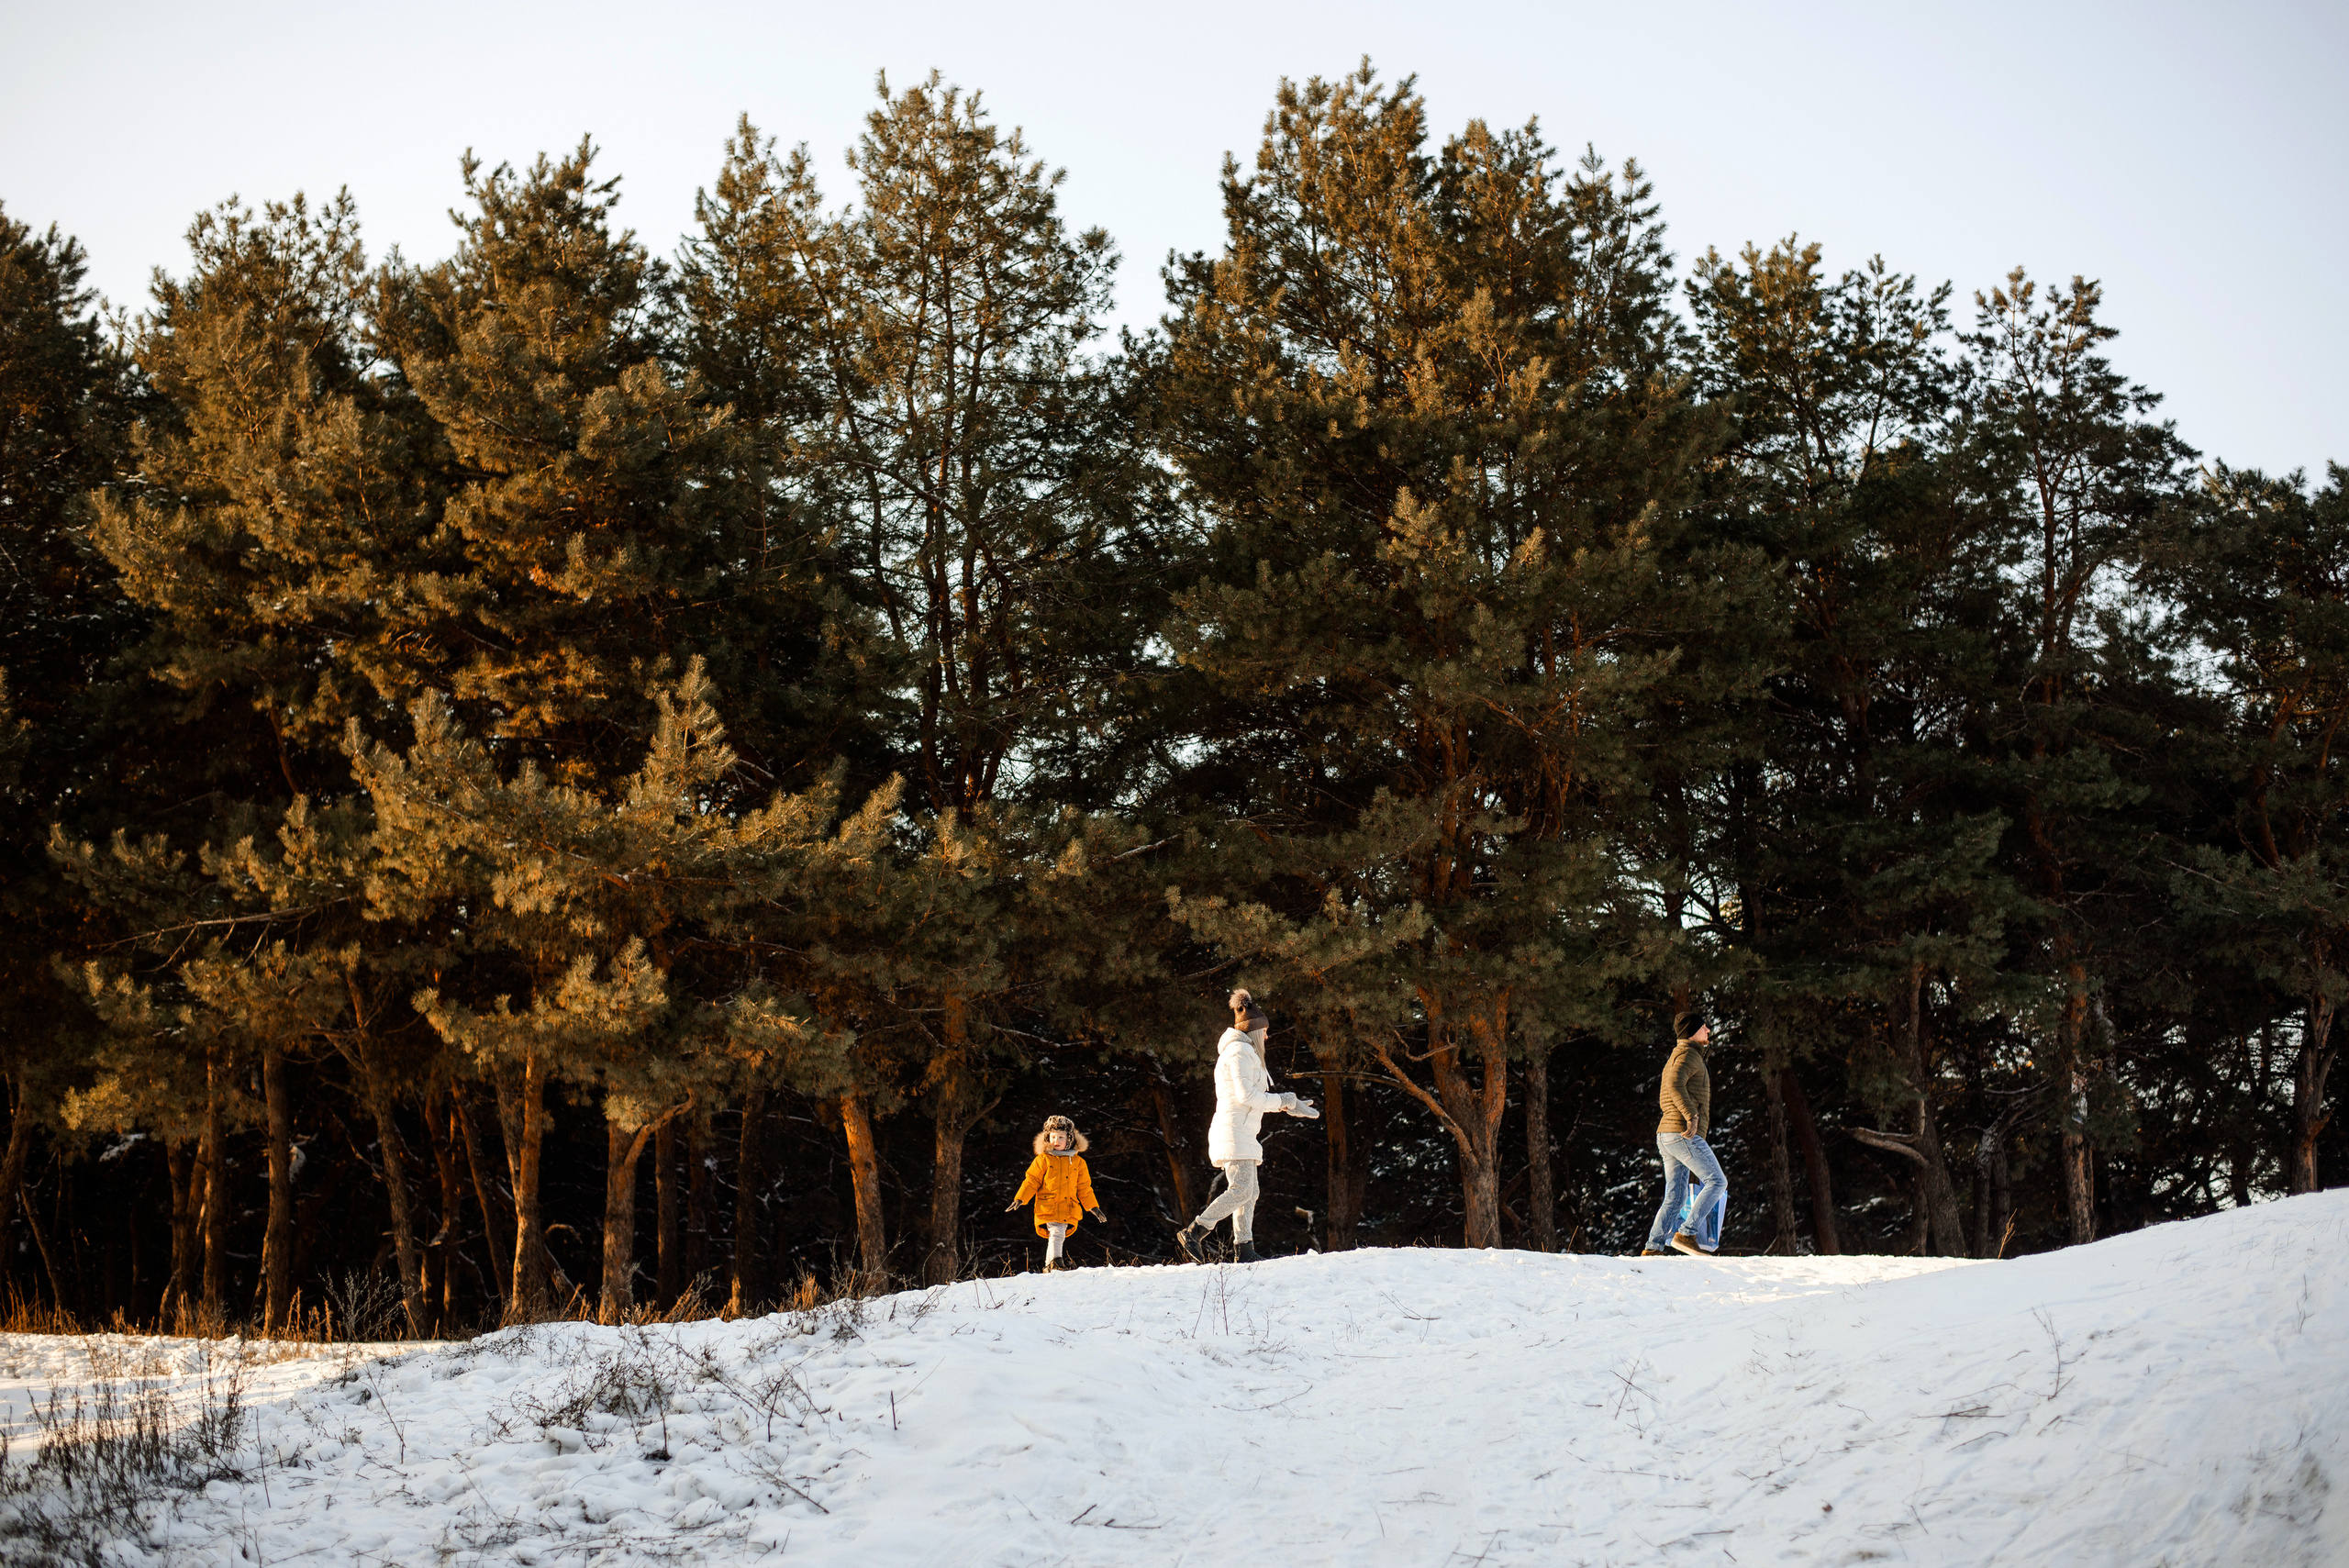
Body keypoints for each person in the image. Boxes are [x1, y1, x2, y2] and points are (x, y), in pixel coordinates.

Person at [1174, 992, 1318, 1264]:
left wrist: (1289, 1103)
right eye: (1264, 1031)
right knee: (1241, 1189)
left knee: (1250, 1191)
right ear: (1253, 1031)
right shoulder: (1240, 1052)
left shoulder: (1245, 1052)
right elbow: (1247, 1096)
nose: (1267, 1037)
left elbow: (1252, 1097)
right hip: (1233, 1131)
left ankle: (1245, 1248)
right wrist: (1285, 1101)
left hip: (1242, 1132)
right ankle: (1195, 1231)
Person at [1644, 1012, 1728, 1257]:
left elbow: (1670, 1086)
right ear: (1692, 1031)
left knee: (1676, 1196)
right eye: (1704, 1027)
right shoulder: (1688, 1055)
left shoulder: (1682, 1055)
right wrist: (1692, 1116)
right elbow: (1673, 1084)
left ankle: (1653, 1248)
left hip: (1668, 1134)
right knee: (1717, 1181)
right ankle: (1687, 1234)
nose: (1709, 1030)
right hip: (1682, 1133)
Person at [1008, 1114, 1105, 1273]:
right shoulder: (1043, 1159)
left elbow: (1084, 1188)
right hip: (1049, 1205)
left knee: (1057, 1234)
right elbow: (1031, 1181)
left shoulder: (1078, 1162)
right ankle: (1056, 1263)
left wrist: (1094, 1207)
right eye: (1053, 1137)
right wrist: (1020, 1198)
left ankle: (1049, 1267)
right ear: (1047, 1138)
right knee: (1058, 1232)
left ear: (1070, 1139)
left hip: (1068, 1206)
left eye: (1061, 1137)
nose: (1056, 1141)